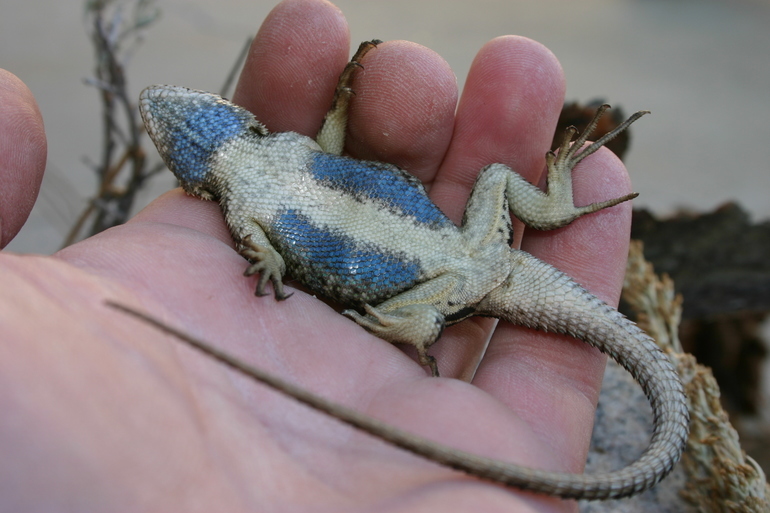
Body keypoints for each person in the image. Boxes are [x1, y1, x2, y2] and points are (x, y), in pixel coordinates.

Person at [0, 0, 636, 510]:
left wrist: (273, 260)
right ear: (233, 119)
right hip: (467, 252)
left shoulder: (241, 207)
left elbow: (269, 244)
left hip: (456, 275)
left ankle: (424, 319)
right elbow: (322, 153)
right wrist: (335, 110)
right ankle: (549, 208)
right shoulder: (278, 146)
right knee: (495, 175)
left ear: (193, 177)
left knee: (425, 286)